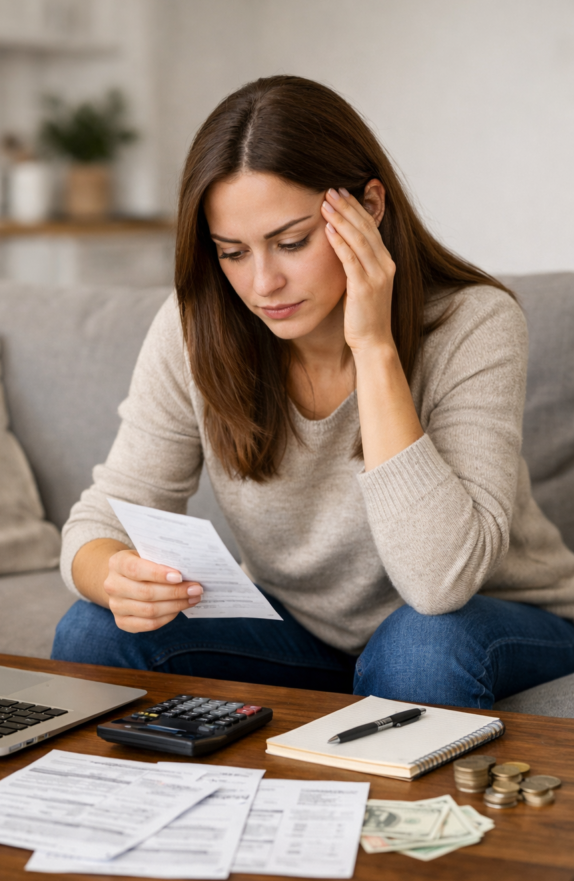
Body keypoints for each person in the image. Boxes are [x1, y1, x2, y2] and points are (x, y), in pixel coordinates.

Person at [53, 75, 574, 708]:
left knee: (419, 647)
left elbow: (440, 583)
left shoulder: (476, 323)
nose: (263, 283)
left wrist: (375, 349)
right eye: (232, 252)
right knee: (92, 627)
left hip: (490, 619)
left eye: (292, 242)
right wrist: (115, 576)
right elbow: (101, 520)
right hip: (303, 635)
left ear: (369, 207)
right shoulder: (199, 326)